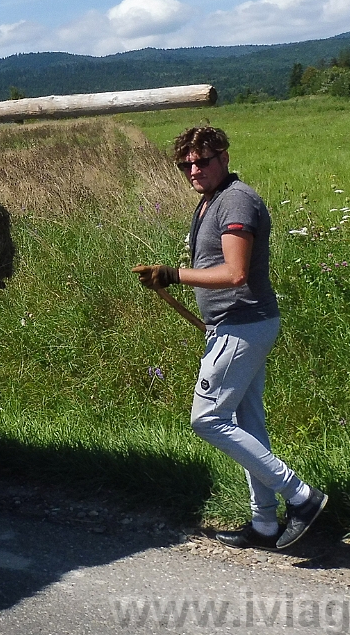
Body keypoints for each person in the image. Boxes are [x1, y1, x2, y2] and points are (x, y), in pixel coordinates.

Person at [132, 125, 327, 550]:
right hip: (233, 325)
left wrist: (173, 274)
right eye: (186, 164)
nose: (194, 170)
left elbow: (235, 273)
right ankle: (264, 524)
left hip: (243, 324)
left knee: (207, 419)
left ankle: (301, 496)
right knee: (247, 423)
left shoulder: (236, 200)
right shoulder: (210, 202)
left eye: (202, 161)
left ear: (223, 156)